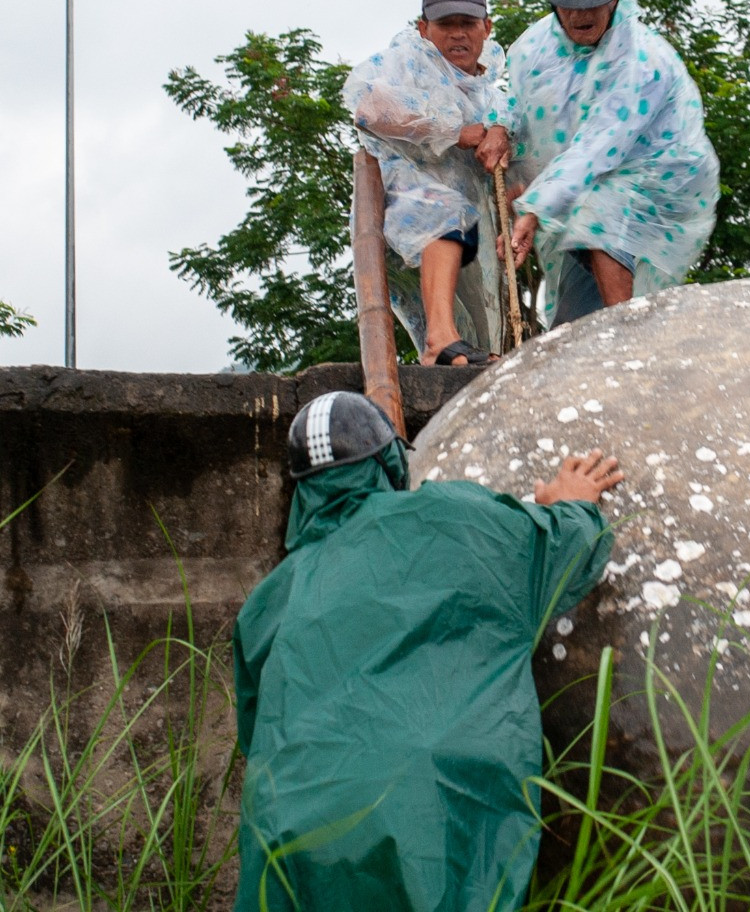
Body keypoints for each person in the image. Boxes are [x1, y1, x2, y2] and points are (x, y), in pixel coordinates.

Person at [233, 391, 624, 912]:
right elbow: (565, 549)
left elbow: (255, 727)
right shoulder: (449, 515)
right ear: (390, 461)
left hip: (288, 832)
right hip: (428, 816)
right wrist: (572, 504)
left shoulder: (266, 604)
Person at [504, 0, 719, 328]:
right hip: (575, 186)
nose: (580, 15)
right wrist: (498, 130)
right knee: (572, 304)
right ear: (553, 3)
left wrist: (534, 208)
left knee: (604, 206)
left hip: (662, 174)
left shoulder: (642, 60)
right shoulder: (535, 49)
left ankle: (626, 334)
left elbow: (599, 145)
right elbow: (513, 103)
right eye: (569, 5)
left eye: (593, 4)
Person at [344, 0, 514, 366]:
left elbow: (508, 147)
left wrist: (499, 142)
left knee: (484, 333)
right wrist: (454, 131)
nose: (458, 34)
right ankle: (439, 338)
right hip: (403, 203)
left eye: (467, 24)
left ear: (486, 28)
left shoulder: (491, 93)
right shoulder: (406, 61)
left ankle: (447, 350)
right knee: (444, 211)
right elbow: (369, 108)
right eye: (445, 24)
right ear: (423, 29)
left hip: (470, 234)